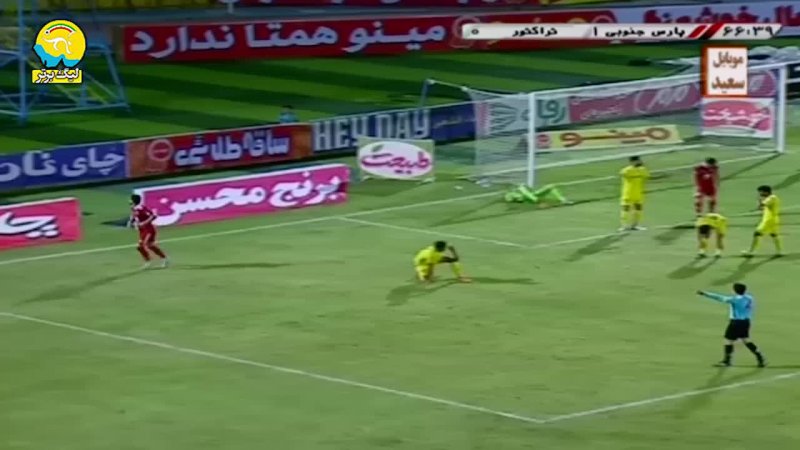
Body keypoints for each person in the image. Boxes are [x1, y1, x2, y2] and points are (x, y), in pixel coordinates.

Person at [697, 283, 766, 367]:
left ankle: (727, 361)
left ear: (734, 291)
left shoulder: (734, 299)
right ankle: (760, 357)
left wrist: (705, 294)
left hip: (735, 322)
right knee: (746, 340)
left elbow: (719, 298)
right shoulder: (749, 298)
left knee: (728, 340)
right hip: (746, 322)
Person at [129, 194, 169, 269]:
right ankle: (159, 259)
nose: (129, 201)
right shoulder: (134, 208)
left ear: (133, 201)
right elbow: (135, 216)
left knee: (142, 246)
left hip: (148, 230)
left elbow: (153, 215)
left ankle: (154, 260)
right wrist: (131, 221)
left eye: (131, 199)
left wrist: (144, 223)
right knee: (148, 246)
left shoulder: (141, 208)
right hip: (142, 231)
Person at [742, 185, 782, 257]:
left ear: (766, 192)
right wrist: (761, 204)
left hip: (768, 220)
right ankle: (779, 251)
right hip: (774, 219)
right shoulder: (773, 198)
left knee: (757, 233)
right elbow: (763, 207)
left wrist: (760, 201)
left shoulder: (771, 198)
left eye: (761, 192)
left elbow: (762, 204)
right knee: (774, 235)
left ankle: (751, 252)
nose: (760, 193)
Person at [619, 155, 650, 231]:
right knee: (625, 209)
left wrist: (641, 168)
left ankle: (635, 225)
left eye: (639, 160)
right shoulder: (626, 170)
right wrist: (635, 169)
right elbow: (622, 174)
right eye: (636, 161)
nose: (638, 162)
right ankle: (624, 226)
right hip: (628, 193)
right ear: (631, 162)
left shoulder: (643, 170)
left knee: (638, 208)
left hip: (638, 193)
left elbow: (647, 176)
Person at [504, 183, 572, 206]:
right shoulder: (510, 194)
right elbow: (527, 194)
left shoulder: (522, 187)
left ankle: (563, 200)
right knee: (525, 194)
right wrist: (539, 202)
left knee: (551, 186)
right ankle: (539, 202)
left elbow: (529, 193)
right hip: (527, 199)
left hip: (532, 196)